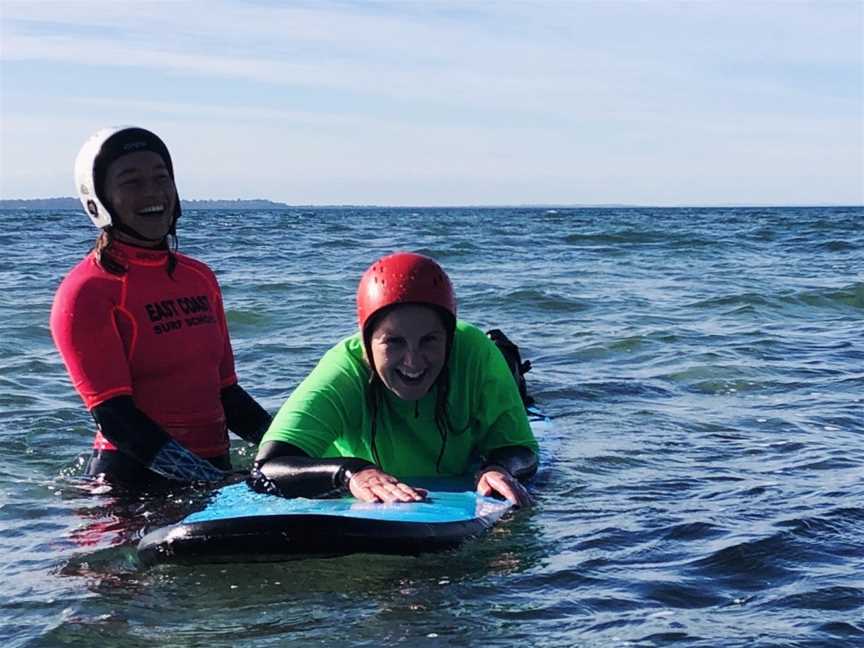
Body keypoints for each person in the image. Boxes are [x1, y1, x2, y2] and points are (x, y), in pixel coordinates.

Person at [51, 126, 271, 488]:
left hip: (214, 471)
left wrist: (294, 451)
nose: (153, 192)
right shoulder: (87, 291)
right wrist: (209, 479)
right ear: (98, 199)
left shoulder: (199, 278)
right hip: (131, 484)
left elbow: (228, 395)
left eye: (161, 177)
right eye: (132, 181)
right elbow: (115, 417)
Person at [250, 252, 539, 506]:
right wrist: (349, 473)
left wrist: (500, 468)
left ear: (450, 340)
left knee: (507, 378)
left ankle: (510, 367)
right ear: (366, 343)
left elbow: (521, 448)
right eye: (394, 342)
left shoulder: (475, 354)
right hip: (353, 477)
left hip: (482, 388)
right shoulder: (344, 370)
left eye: (429, 340)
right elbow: (268, 466)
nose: (412, 361)